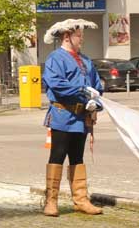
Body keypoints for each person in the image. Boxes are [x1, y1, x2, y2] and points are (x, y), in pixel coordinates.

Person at [41, 19, 103, 217]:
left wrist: (96, 103)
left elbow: (97, 88)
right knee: (57, 155)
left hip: (81, 118)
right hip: (61, 115)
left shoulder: (86, 61)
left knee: (77, 157)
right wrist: (84, 92)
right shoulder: (55, 59)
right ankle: (51, 201)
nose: (81, 40)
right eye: (79, 36)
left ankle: (81, 199)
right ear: (66, 36)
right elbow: (57, 85)